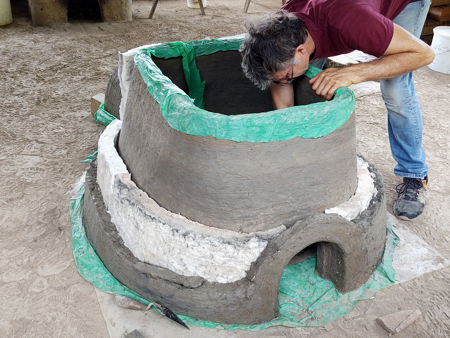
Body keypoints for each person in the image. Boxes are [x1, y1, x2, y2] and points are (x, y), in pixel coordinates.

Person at [240, 0, 434, 220]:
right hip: (346, 15)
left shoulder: (352, 22)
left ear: (301, 50)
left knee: (395, 88)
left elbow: (424, 54)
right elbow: (281, 85)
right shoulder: (283, 27)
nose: (285, 80)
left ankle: (414, 175)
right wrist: (289, 142)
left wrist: (355, 73)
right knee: (306, 74)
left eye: (286, 76)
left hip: (400, 3)